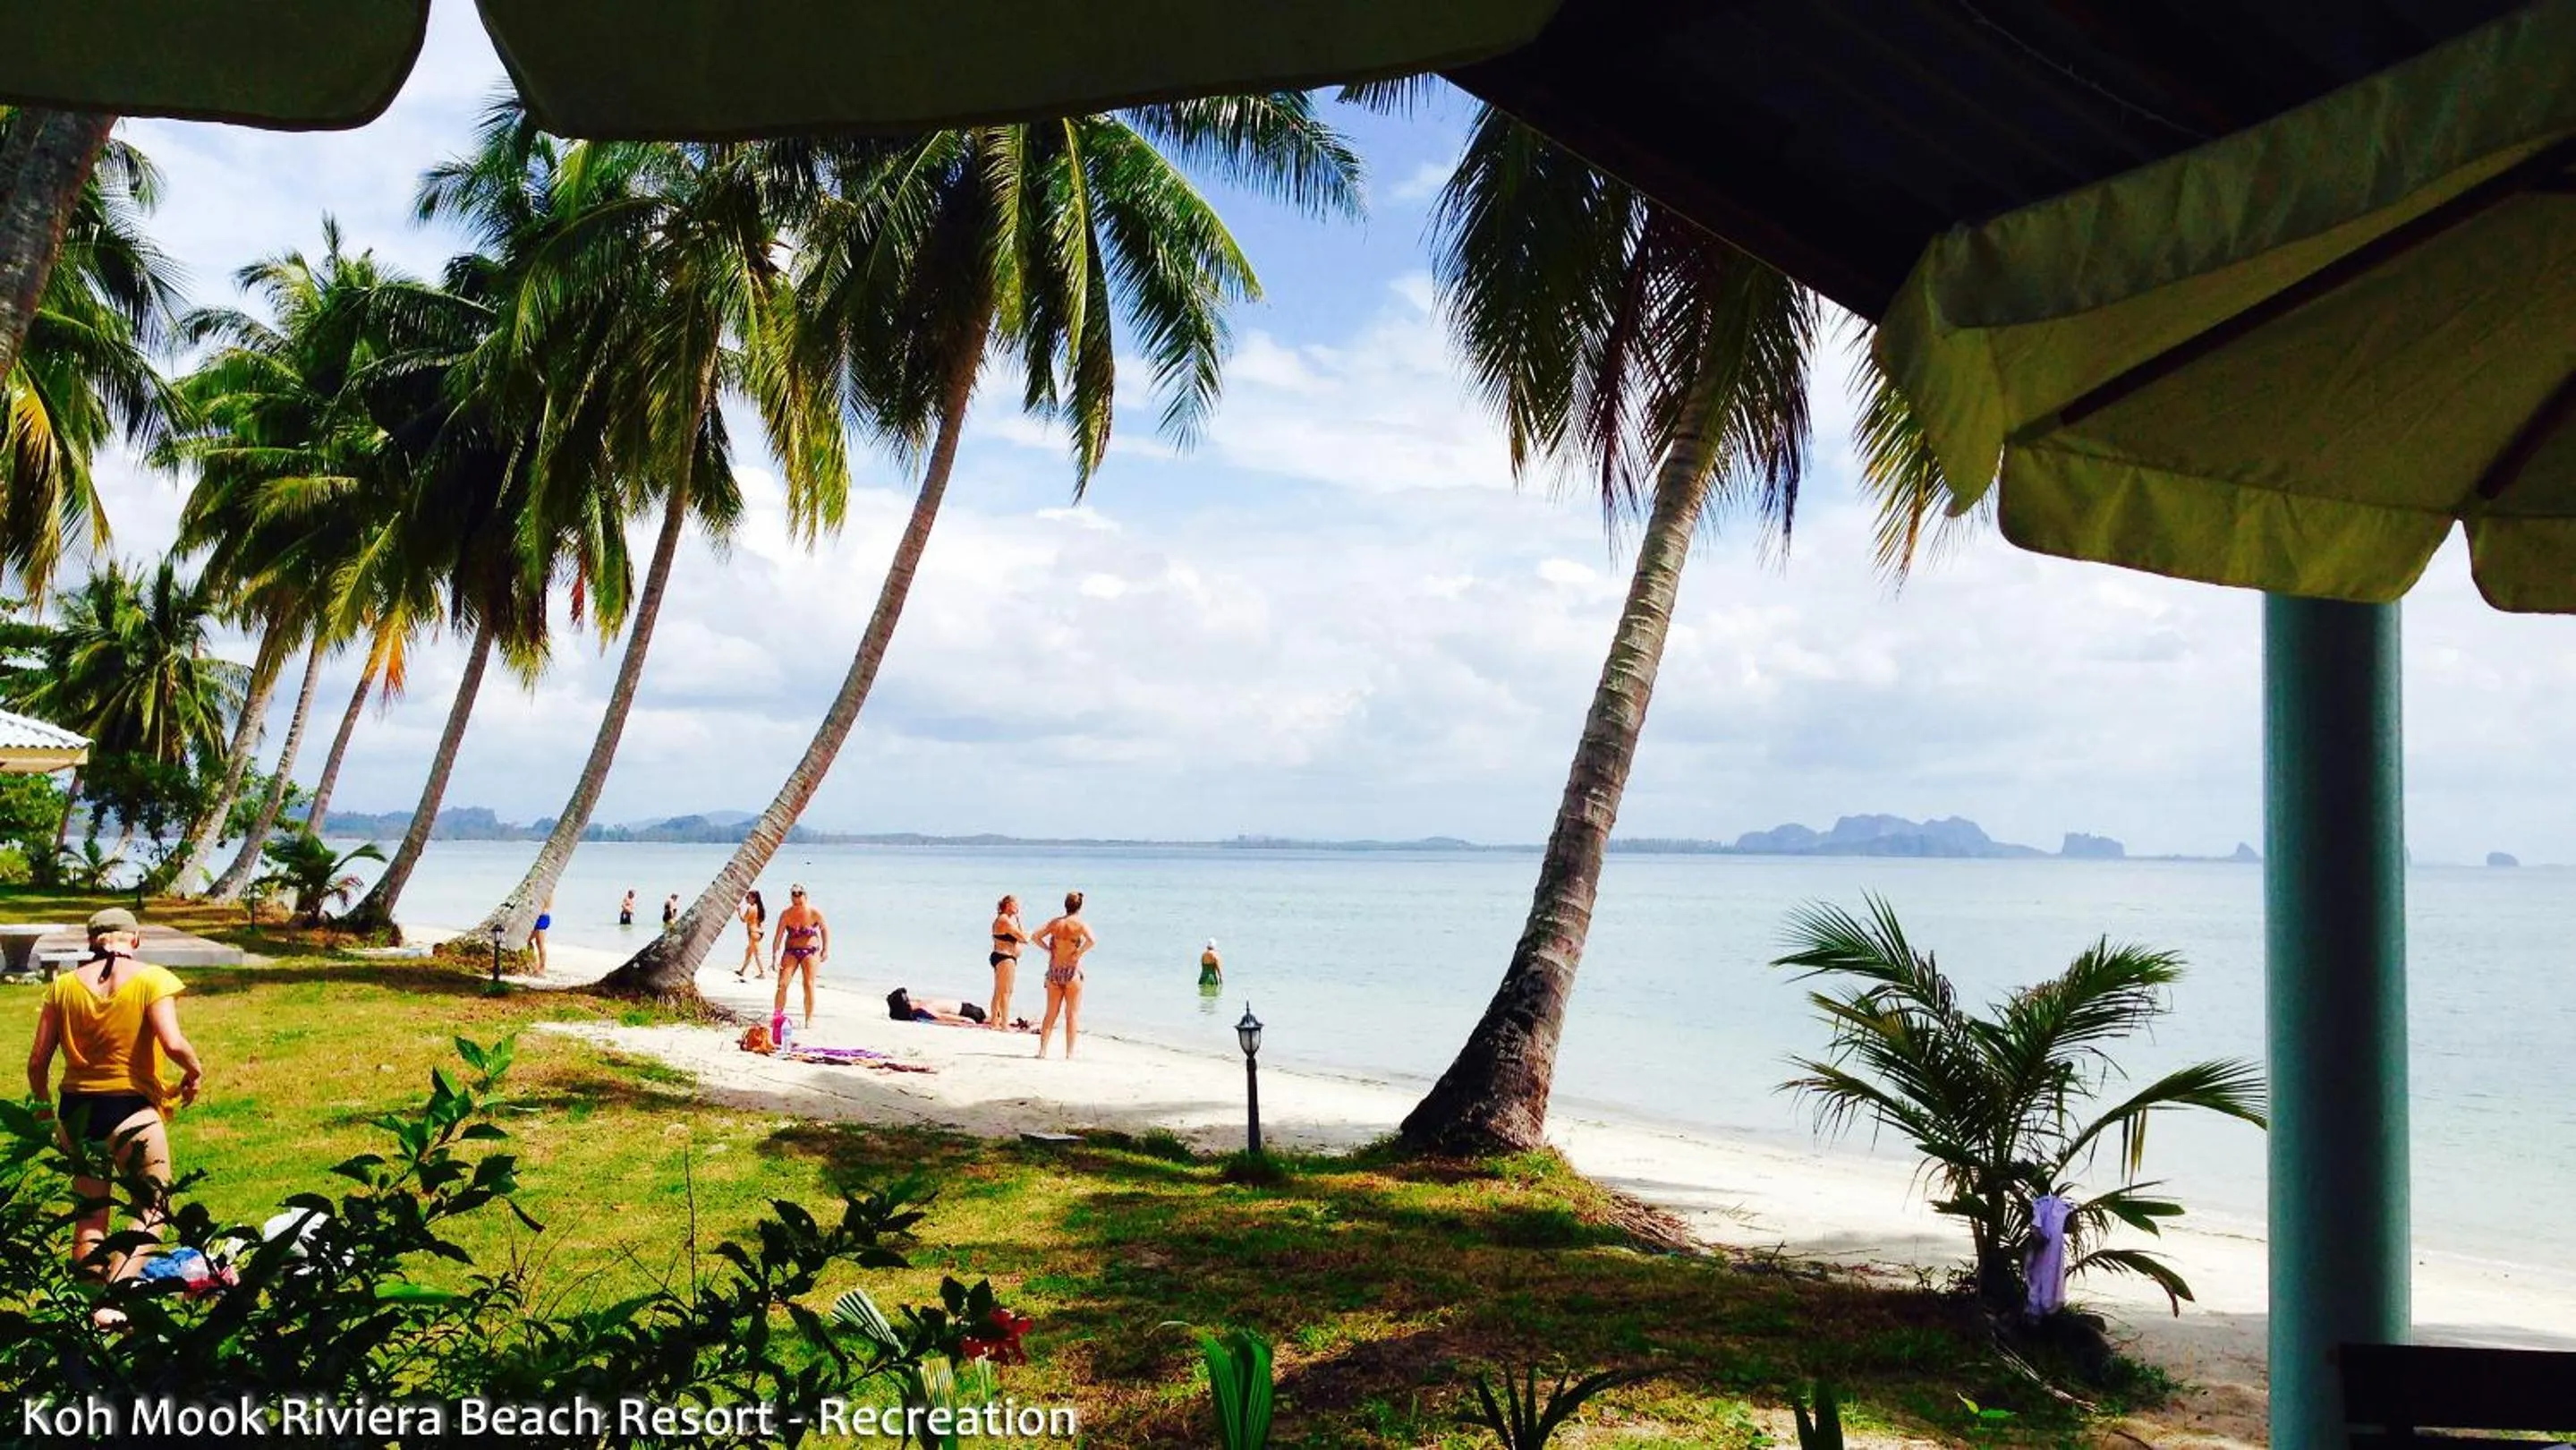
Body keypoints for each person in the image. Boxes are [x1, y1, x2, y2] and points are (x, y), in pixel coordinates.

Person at [23, 908, 206, 1297]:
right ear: (135, 940)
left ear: (92, 943)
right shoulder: (153, 979)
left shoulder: (63, 987)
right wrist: (194, 1072)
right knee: (154, 1206)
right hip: (130, 1111)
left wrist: (43, 1114)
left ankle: (90, 1302)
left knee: (90, 1213)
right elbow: (173, 1043)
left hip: (76, 1112)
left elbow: (38, 1062)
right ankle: (119, 1291)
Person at [1033, 891, 1096, 1060]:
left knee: (1051, 1013)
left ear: (1065, 905)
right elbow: (1092, 941)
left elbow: (1035, 936)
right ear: (1080, 906)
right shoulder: (1080, 924)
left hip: (1054, 971)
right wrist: (1078, 953)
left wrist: (1048, 949)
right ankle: (1069, 1053)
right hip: (1071, 971)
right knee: (1072, 1014)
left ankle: (1043, 1051)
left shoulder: (1056, 923)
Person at [772, 885, 828, 1030]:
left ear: (805, 895)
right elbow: (778, 936)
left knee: (808, 984)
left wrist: (825, 950)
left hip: (810, 951)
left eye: (799, 893)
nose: (797, 896)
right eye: (794, 894)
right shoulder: (786, 914)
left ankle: (809, 1019)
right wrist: (775, 956)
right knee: (782, 984)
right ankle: (777, 1016)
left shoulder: (814, 912)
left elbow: (824, 930)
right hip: (791, 951)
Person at [987, 895, 1028, 1030]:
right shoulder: (1004, 920)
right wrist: (1020, 923)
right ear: (1008, 905)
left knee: (999, 991)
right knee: (1006, 991)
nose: (1018, 907)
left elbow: (1020, 937)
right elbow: (1023, 938)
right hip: (1005, 957)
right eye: (1015, 904)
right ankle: (1004, 1024)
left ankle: (994, 1022)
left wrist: (1018, 919)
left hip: (1001, 956)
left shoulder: (1006, 920)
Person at [886, 987, 989, 1027]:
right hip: (965, 1011)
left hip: (965, 1008)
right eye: (909, 1000)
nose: (913, 1000)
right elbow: (941, 1017)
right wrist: (964, 1020)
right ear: (908, 1006)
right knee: (988, 1019)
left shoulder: (921, 1007)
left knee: (991, 1018)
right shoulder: (923, 1010)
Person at [735, 890, 769, 981]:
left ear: (754, 898)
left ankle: (762, 973)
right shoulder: (759, 908)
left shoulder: (751, 908)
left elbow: (743, 920)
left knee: (757, 954)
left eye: (748, 897)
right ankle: (742, 971)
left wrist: (739, 912)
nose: (746, 899)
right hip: (759, 932)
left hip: (753, 933)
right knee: (748, 952)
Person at [529, 896, 553, 977]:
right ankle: (534, 965)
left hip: (542, 917)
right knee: (527, 941)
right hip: (534, 917)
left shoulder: (548, 890)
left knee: (540, 943)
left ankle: (542, 968)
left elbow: (547, 905)